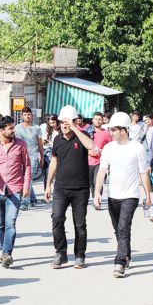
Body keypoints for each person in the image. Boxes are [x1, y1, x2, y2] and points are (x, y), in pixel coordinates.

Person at [93, 112, 151, 278]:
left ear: (124, 130)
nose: (110, 133)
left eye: (114, 130)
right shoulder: (109, 148)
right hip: (113, 195)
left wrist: (148, 195)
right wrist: (97, 192)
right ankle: (127, 255)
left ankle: (119, 262)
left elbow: (143, 173)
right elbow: (102, 170)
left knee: (123, 227)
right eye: (110, 130)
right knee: (118, 230)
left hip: (130, 195)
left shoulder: (137, 148)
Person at [45, 105, 94, 269]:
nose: (64, 126)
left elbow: (91, 147)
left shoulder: (83, 136)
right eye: (62, 122)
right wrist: (48, 184)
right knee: (57, 218)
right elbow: (54, 161)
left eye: (67, 123)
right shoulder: (57, 139)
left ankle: (80, 255)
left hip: (80, 188)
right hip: (61, 188)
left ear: (74, 122)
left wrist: (75, 129)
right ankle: (60, 253)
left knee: (79, 224)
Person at [0, 116, 31, 268]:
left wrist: (26, 186)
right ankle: (4, 249)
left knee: (10, 223)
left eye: (13, 127)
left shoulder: (20, 145)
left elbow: (27, 166)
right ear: (1, 130)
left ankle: (7, 253)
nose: (13, 130)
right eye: (10, 128)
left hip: (15, 189)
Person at [14, 107, 43, 210]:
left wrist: (42, 157)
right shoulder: (17, 128)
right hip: (20, 156)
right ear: (22, 116)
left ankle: (24, 202)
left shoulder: (37, 128)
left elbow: (40, 144)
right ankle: (33, 198)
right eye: (25, 114)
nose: (28, 116)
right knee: (22, 179)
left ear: (32, 115)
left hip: (33, 156)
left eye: (29, 114)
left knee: (29, 179)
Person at [87, 112, 112, 198]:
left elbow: (110, 146)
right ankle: (94, 195)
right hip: (88, 161)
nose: (97, 121)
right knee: (90, 182)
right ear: (92, 120)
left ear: (102, 121)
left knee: (98, 180)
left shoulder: (106, 133)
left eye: (99, 119)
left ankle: (97, 199)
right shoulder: (87, 132)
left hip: (100, 161)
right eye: (96, 119)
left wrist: (103, 151)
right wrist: (88, 152)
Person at [40, 114, 60, 188]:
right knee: (46, 173)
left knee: (54, 173)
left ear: (57, 122)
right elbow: (41, 141)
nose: (52, 124)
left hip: (56, 153)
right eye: (50, 123)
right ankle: (46, 190)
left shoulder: (60, 131)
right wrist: (44, 141)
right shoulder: (48, 130)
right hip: (46, 152)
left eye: (53, 122)